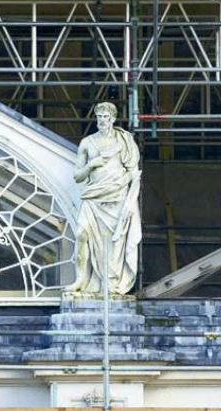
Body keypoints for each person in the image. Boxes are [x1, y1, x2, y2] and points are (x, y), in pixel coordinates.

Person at [69, 102, 142, 295]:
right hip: (93, 197)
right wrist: (91, 164)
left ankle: (109, 283)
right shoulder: (87, 142)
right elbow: (77, 176)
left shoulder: (123, 141)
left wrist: (121, 185)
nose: (102, 120)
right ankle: (80, 280)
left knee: (113, 243)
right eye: (99, 116)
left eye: (105, 117)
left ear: (113, 119)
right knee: (81, 234)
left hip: (116, 197)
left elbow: (133, 172)